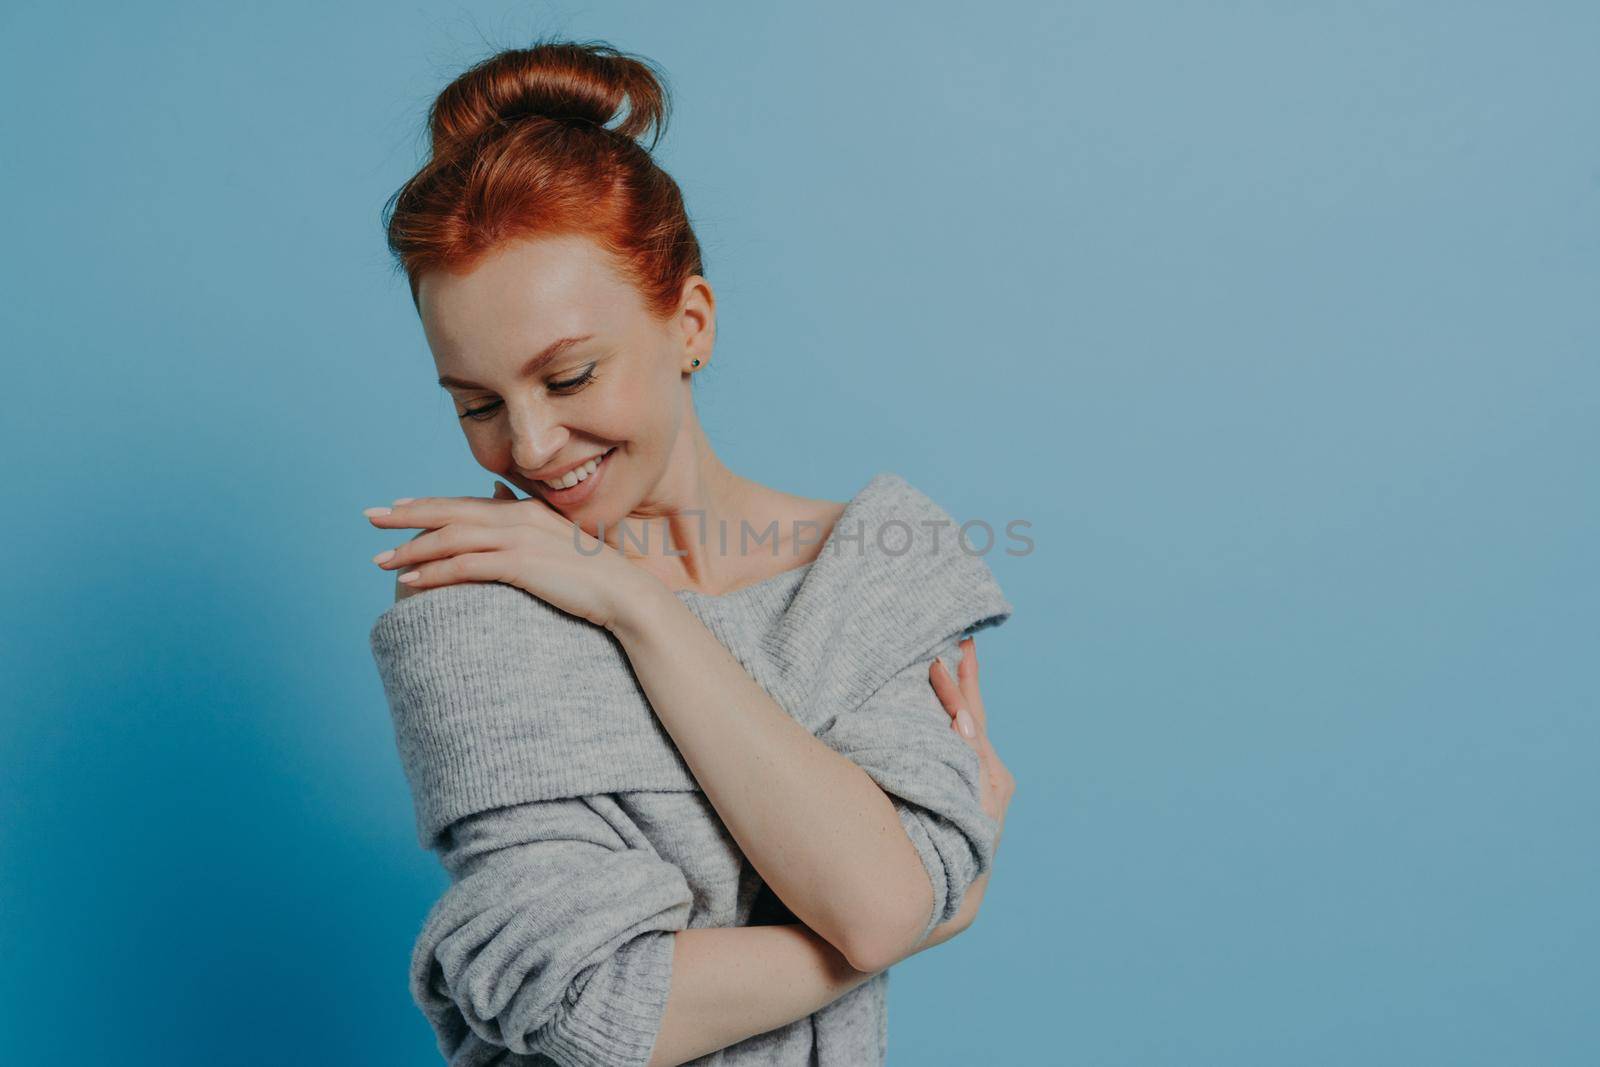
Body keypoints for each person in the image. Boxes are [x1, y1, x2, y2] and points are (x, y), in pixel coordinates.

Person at [365, 37, 1017, 1066]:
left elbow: (876, 898)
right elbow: (589, 1007)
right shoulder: (468, 607)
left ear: (691, 323)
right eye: (479, 404)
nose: (528, 447)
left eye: (570, 376)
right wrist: (926, 910)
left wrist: (636, 605)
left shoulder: (877, 571)